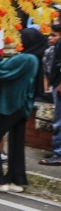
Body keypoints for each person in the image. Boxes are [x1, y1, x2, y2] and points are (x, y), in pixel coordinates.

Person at [0, 29, 44, 193]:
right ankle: (15, 180)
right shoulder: (34, 58)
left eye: (22, 39)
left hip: (13, 105)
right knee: (16, 143)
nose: (19, 42)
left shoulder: (26, 58)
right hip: (22, 107)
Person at [41, 24, 61, 165]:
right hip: (55, 85)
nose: (50, 37)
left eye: (54, 35)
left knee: (58, 122)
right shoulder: (54, 49)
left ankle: (58, 154)